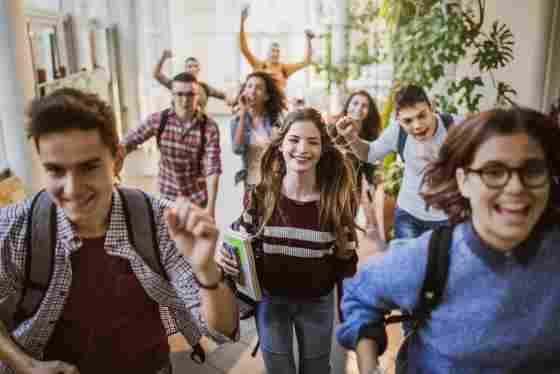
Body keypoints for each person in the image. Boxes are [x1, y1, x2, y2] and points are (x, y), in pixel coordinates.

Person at [0, 88, 238, 374]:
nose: (73, 189)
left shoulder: (159, 222)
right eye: (55, 171)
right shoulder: (17, 228)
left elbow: (220, 330)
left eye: (89, 167)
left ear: (118, 159)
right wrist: (25, 365)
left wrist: (206, 270)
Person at [337, 107, 560, 374]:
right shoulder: (429, 258)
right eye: (493, 172)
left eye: (533, 170)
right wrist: (368, 366)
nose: (515, 188)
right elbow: (362, 295)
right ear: (463, 180)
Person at [218, 108, 359, 374]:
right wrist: (228, 256)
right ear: (281, 145)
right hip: (271, 302)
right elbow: (240, 239)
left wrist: (351, 313)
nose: (302, 148)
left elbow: (346, 261)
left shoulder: (335, 202)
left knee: (316, 368)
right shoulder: (261, 196)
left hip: (318, 303)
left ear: (323, 149)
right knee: (278, 369)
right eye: (294, 140)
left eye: (313, 141)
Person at [336, 84, 461, 240]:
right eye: (408, 121)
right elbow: (370, 154)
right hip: (408, 216)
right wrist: (351, 137)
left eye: (422, 116)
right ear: (398, 119)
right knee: (408, 264)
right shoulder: (397, 131)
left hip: (448, 218)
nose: (417, 126)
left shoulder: (456, 127)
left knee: (441, 265)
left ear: (432, 108)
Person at [122, 72, 221, 218]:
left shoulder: (209, 127)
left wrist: (211, 210)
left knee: (196, 240)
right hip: (166, 198)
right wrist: (113, 166)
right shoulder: (159, 120)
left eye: (190, 94)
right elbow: (127, 142)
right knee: (167, 239)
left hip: (196, 201)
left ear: (197, 96)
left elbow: (213, 169)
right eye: (179, 94)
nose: (184, 100)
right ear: (172, 96)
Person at [230, 71, 286, 188]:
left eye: (258, 88)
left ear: (266, 96)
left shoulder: (277, 120)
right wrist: (243, 112)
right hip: (251, 184)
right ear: (244, 91)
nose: (253, 91)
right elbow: (237, 149)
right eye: (249, 86)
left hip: (276, 181)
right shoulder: (237, 121)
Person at [240, 6, 314, 92]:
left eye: (277, 51)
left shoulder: (284, 69)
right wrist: (242, 22)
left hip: (278, 104)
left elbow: (306, 62)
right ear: (267, 53)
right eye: (273, 50)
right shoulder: (260, 66)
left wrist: (309, 40)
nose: (275, 53)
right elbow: (244, 49)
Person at [153, 50, 233, 110]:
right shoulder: (178, 85)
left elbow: (222, 95)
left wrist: (228, 99)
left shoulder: (204, 87)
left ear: (199, 69)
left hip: (199, 126)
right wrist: (163, 58)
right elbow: (157, 75)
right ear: (185, 69)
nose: (193, 69)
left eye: (195, 66)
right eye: (190, 66)